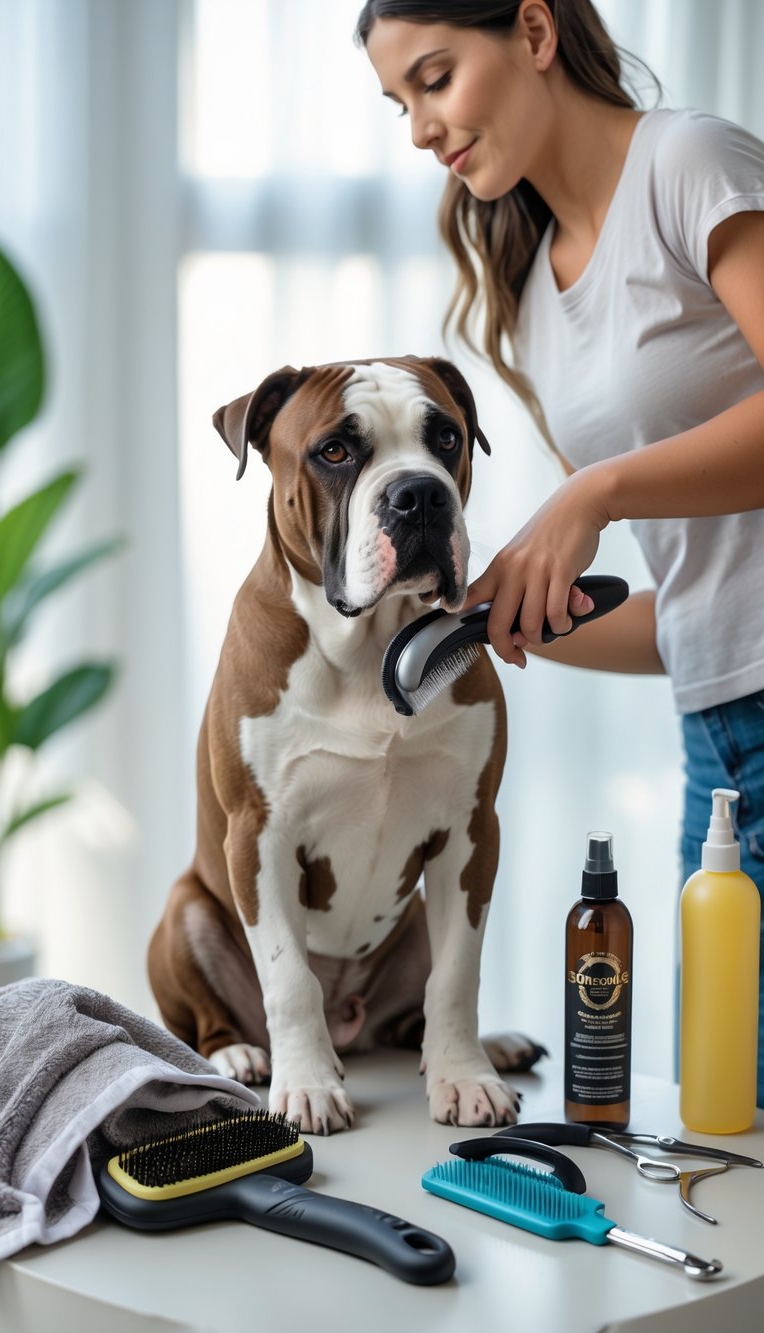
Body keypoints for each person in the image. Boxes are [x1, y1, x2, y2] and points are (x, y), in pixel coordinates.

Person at [356, 0, 764, 1105]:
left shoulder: (689, 164)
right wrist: (493, 623)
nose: (420, 130)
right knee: (727, 1098)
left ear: (533, 32)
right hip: (720, 744)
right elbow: (698, 606)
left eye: (435, 79)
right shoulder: (531, 297)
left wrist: (597, 490)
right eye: (400, 102)